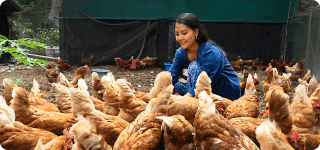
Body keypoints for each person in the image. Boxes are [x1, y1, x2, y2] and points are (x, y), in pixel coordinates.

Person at [169, 13, 241, 100]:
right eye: (177, 34)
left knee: (194, 67)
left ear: (196, 31)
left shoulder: (211, 53)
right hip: (201, 89)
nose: (180, 37)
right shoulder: (180, 53)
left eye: (184, 33)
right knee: (174, 86)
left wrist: (184, 101)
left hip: (224, 90)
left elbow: (203, 82)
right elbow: (171, 76)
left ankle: (196, 105)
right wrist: (157, 97)